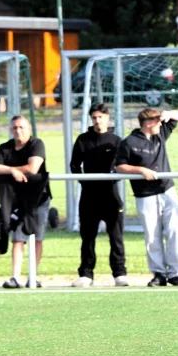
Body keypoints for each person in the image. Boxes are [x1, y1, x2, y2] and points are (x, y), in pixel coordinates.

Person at [115, 108, 178, 287]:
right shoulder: (129, 142)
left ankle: (175, 273)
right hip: (145, 194)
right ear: (148, 123)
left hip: (167, 189)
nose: (161, 124)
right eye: (157, 121)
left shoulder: (160, 134)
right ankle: (159, 273)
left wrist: (167, 113)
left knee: (175, 231)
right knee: (152, 235)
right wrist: (141, 170)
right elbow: (120, 166)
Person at [70, 103, 127, 287]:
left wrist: (112, 179)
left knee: (116, 236)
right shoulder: (83, 140)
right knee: (87, 236)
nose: (97, 120)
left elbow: (122, 165)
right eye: (94, 117)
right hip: (89, 196)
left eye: (100, 117)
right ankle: (86, 274)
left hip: (111, 195)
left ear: (107, 118)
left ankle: (119, 273)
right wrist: (85, 181)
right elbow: (74, 166)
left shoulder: (116, 141)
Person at [0, 116, 52, 288]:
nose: (18, 131)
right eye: (15, 128)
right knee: (17, 238)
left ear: (29, 128)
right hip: (15, 199)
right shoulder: (5, 148)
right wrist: (12, 171)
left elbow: (33, 168)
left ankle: (33, 276)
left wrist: (9, 171)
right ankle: (15, 277)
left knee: (37, 236)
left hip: (38, 198)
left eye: (22, 127)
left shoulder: (36, 144)